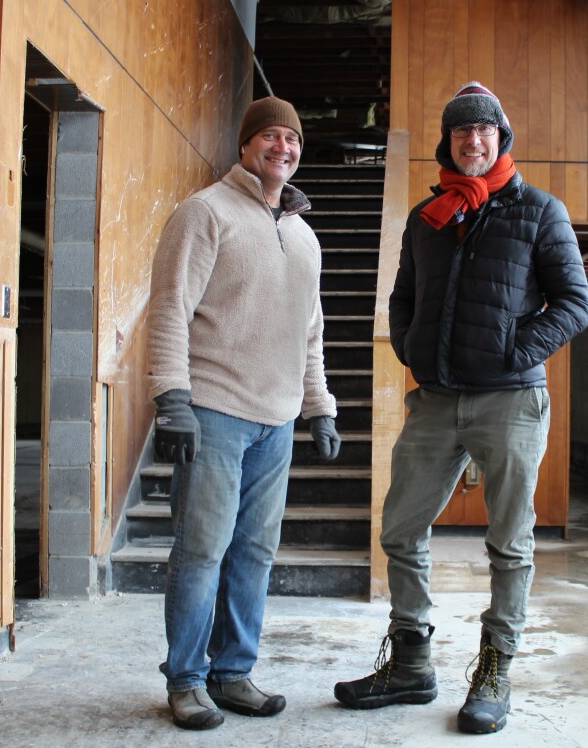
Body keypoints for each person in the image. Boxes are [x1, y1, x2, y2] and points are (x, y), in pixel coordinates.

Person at [334, 82, 588, 735]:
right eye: (459, 132)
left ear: (500, 138)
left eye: (483, 130)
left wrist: (513, 351)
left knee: (508, 541)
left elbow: (574, 303)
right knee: (400, 529)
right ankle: (412, 665)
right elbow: (402, 297)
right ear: (447, 143)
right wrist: (411, 348)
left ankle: (495, 668)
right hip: (437, 399)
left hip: (510, 398)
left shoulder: (539, 210)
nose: (472, 141)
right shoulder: (430, 219)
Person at [147, 96, 341, 731]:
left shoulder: (305, 235)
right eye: (270, 136)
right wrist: (172, 398)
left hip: (277, 420)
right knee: (201, 549)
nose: (282, 148)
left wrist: (320, 408)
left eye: (293, 139)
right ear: (245, 144)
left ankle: (233, 673)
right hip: (214, 409)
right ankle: (186, 680)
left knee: (255, 551)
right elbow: (171, 308)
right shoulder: (204, 212)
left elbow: (309, 332)